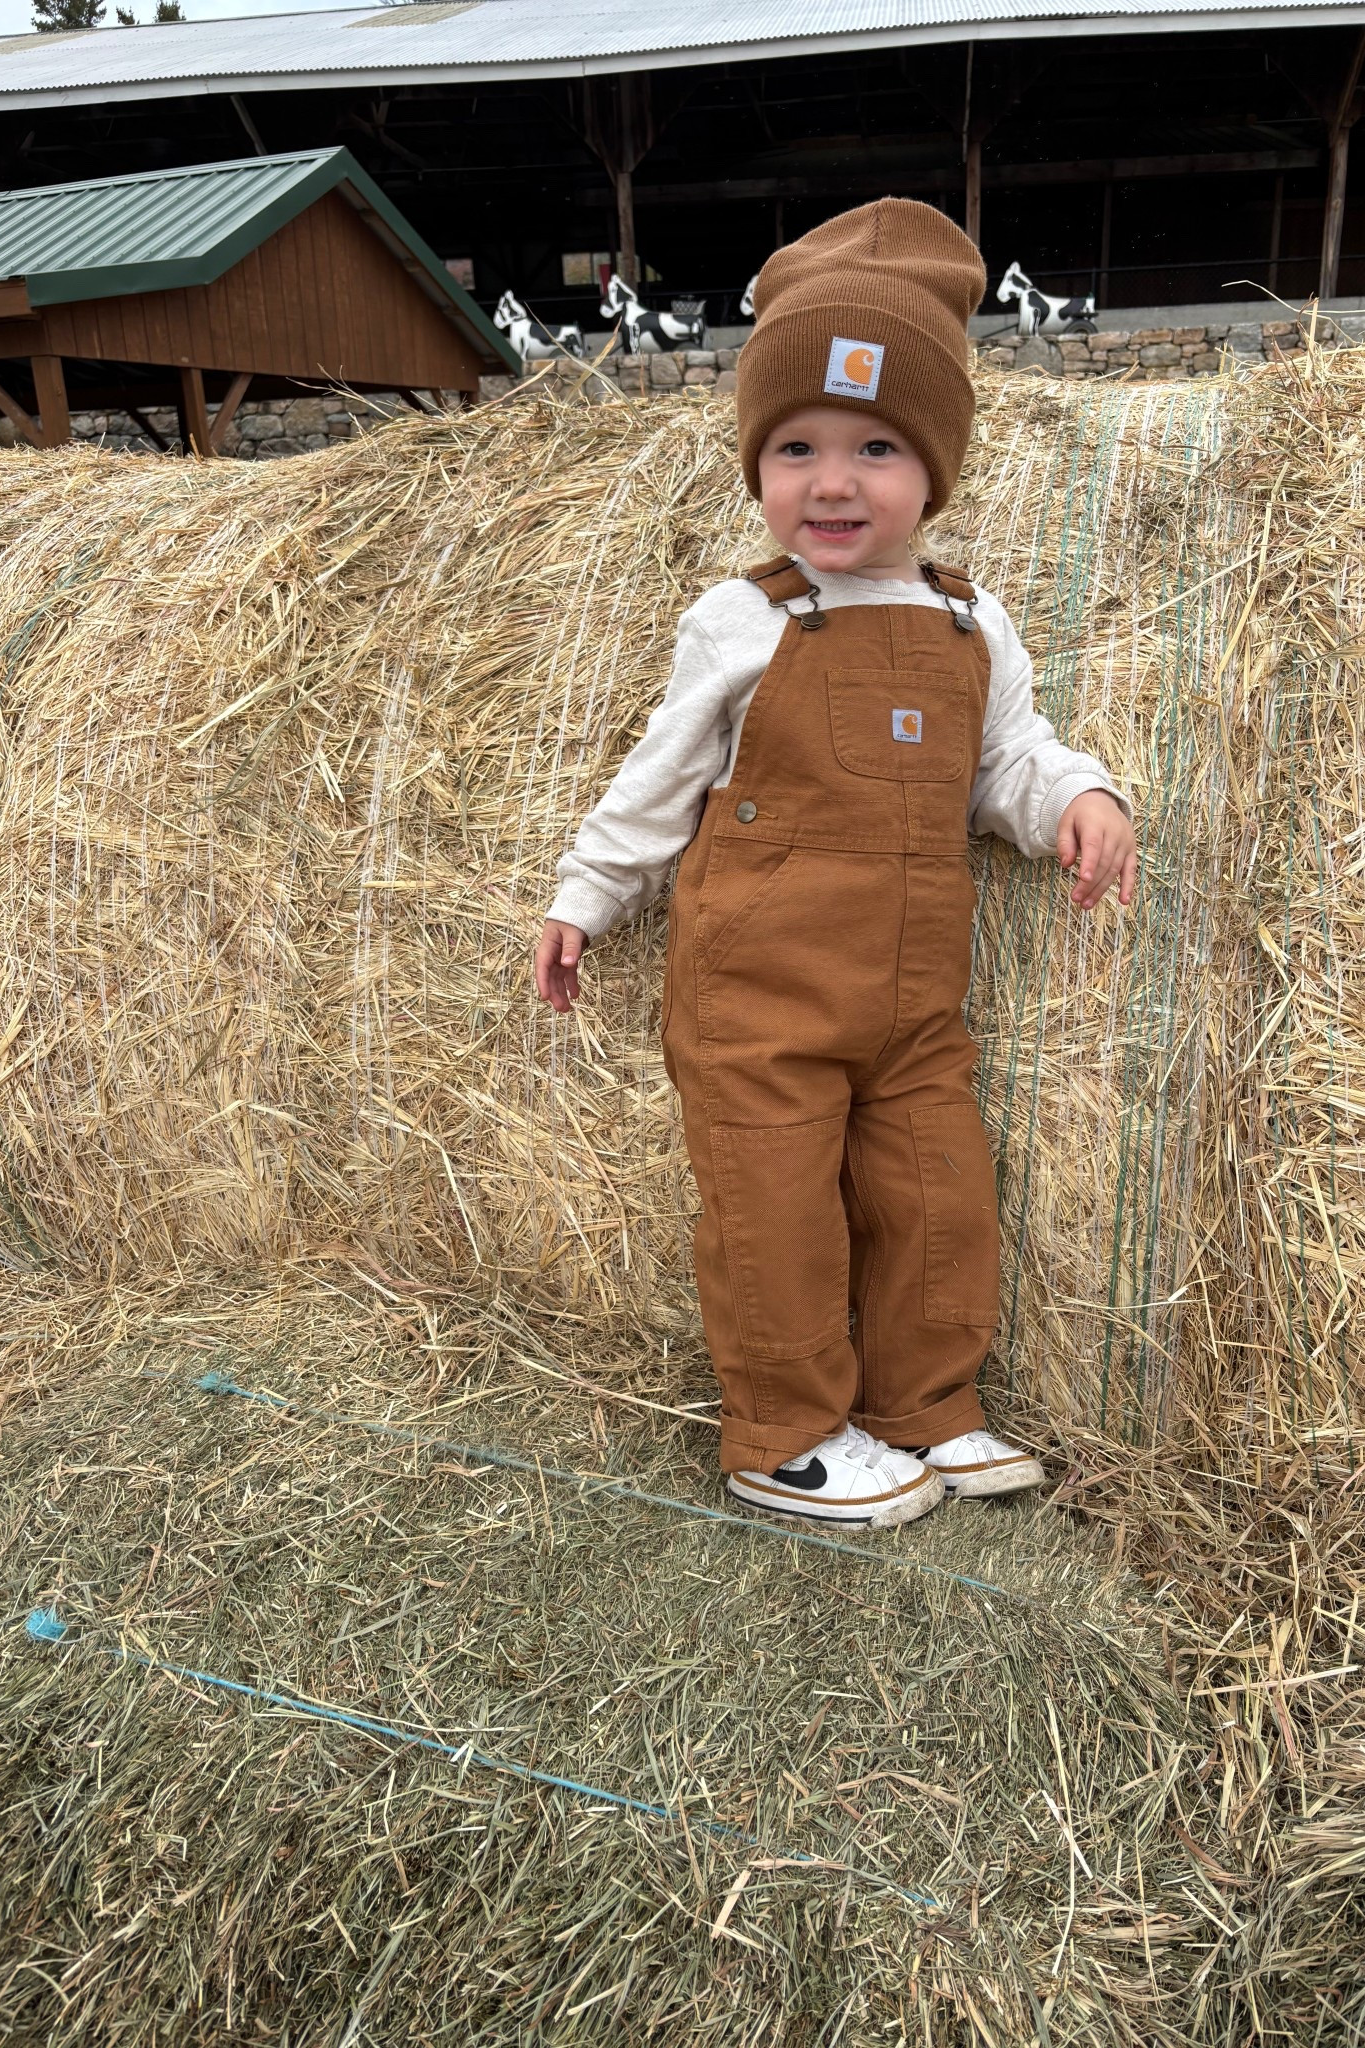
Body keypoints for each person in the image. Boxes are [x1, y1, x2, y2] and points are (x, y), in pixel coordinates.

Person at [536, 199, 1137, 1529]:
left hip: (913, 1005)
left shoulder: (973, 621)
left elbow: (1007, 762)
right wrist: (588, 894)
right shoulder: (746, 621)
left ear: (936, 471)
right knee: (778, 1214)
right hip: (760, 998)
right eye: (795, 447)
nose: (833, 481)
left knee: (938, 1203)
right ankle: (788, 1433)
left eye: (877, 447)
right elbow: (660, 778)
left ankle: (929, 1407)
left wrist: (1078, 798)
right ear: (758, 469)